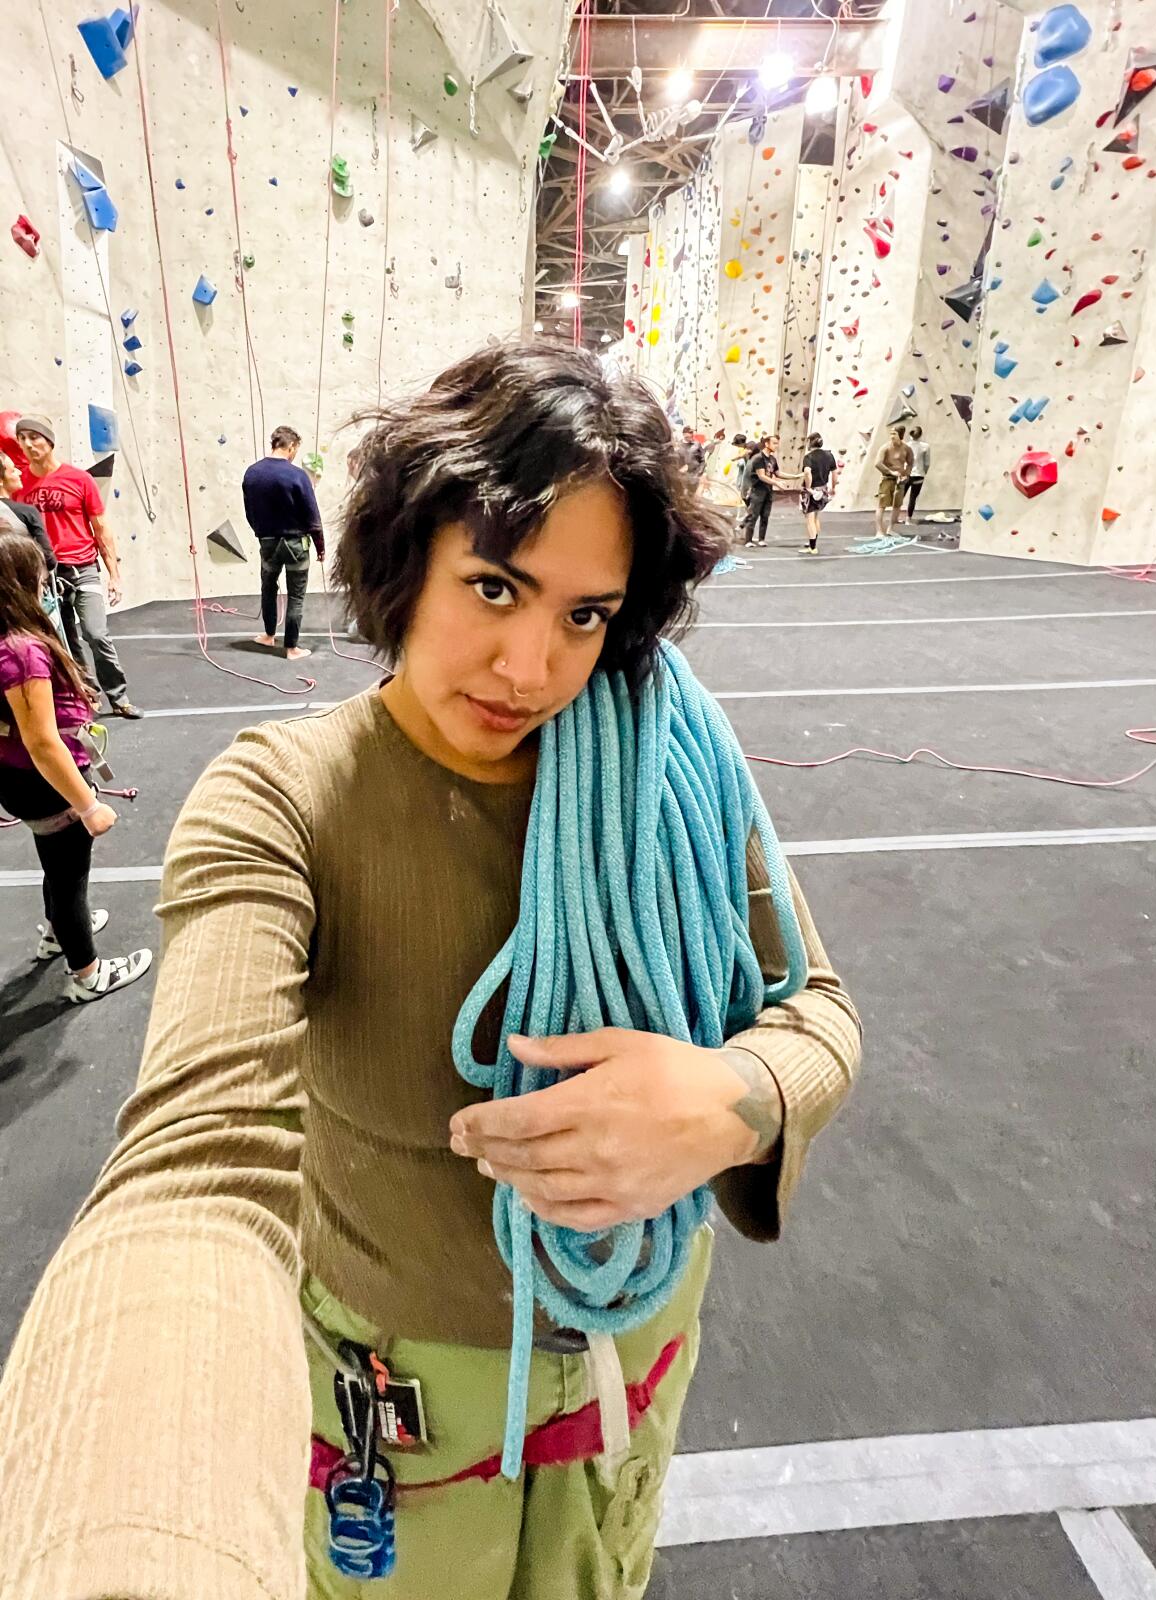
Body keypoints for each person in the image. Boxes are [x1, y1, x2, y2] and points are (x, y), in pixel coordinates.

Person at [0, 343, 861, 1599]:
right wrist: (133, 1545)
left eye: (586, 614)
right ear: (408, 557)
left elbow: (818, 1014)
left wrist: (732, 1099)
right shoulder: (281, 800)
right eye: (496, 587)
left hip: (632, 1362)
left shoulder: (667, 764)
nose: (534, 668)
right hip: (403, 1414)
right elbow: (198, 1164)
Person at [0, 527, 152, 1001]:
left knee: (57, 866)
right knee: (70, 879)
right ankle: (86, 974)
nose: (46, 584)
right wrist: (87, 805)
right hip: (42, 779)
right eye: (40, 576)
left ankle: (56, 934)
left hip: (19, 777)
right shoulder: (23, 653)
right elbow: (44, 742)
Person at [14, 415, 143, 718]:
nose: (29, 444)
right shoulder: (19, 485)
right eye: (22, 438)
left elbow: (101, 528)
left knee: (96, 633)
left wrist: (115, 575)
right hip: (45, 574)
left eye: (35, 437)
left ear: (49, 441)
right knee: (66, 641)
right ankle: (88, 692)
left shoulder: (78, 479)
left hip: (83, 566)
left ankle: (119, 695)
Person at [242, 424, 327, 660]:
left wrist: (263, 534)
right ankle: (291, 648)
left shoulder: (252, 473)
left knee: (268, 589)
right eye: (295, 449)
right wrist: (320, 546)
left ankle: (269, 636)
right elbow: (312, 516)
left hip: (267, 542)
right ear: (290, 446)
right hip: (296, 544)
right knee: (296, 595)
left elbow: (250, 512)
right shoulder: (297, 475)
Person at [799, 433, 840, 554]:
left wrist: (808, 487)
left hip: (813, 491)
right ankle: (813, 541)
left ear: (810, 442)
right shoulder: (829, 455)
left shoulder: (809, 457)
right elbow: (834, 473)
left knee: (810, 518)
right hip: (823, 489)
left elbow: (807, 472)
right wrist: (833, 488)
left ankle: (812, 547)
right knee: (816, 516)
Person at [741, 433, 782, 546]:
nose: (776, 446)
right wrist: (776, 483)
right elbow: (762, 476)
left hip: (768, 491)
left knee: (765, 515)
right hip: (757, 491)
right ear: (766, 443)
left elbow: (778, 473)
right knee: (753, 515)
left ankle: (761, 539)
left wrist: (797, 476)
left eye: (777, 443)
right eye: (774, 443)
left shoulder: (772, 459)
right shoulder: (758, 458)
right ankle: (748, 540)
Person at [874, 424, 913, 536]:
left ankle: (890, 528)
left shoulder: (906, 448)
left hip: (900, 480)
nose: (892, 436)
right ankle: (879, 531)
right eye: (891, 433)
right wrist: (890, 472)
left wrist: (906, 474)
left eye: (894, 434)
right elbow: (878, 463)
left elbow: (910, 463)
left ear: (900, 435)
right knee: (882, 505)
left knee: (897, 505)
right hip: (887, 479)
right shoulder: (885, 447)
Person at [901, 425, 930, 524]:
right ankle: (908, 519)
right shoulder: (925, 446)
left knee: (901, 495)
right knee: (913, 497)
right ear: (921, 434)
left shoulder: (905, 445)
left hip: (907, 473)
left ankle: (895, 516)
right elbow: (927, 463)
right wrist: (924, 471)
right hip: (919, 474)